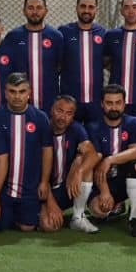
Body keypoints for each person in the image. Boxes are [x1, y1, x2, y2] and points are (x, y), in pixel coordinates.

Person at [0, 72, 53, 234]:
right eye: (12, 91)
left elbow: (47, 151)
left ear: (29, 93)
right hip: (3, 189)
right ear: (5, 93)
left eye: (22, 91)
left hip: (29, 189)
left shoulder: (40, 118)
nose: (17, 96)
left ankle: (31, 211)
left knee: (27, 227)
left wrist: (44, 182)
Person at [81, 82, 136, 236]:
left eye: (118, 103)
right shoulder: (93, 127)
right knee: (100, 211)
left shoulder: (133, 123)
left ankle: (134, 219)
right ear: (102, 104)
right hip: (102, 179)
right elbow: (96, 161)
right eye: (109, 103)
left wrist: (110, 160)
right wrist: (104, 191)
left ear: (124, 104)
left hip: (125, 178)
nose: (114, 107)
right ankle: (116, 204)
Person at [4, 0, 63, 112]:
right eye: (30, 8)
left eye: (39, 8)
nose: (35, 12)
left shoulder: (56, 36)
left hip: (49, 99)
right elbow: (8, 67)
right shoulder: (13, 36)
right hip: (20, 101)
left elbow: (60, 65)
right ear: (24, 11)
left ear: (46, 10)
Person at [47, 95, 98, 232]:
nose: (63, 117)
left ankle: (78, 217)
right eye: (59, 111)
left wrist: (78, 171)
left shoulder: (76, 128)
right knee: (48, 225)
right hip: (44, 190)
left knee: (84, 162)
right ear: (51, 110)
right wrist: (50, 203)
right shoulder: (42, 129)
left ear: (73, 116)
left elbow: (93, 154)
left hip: (67, 187)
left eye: (68, 113)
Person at [57, 0, 107, 123]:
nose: (86, 10)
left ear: (96, 10)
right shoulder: (64, 32)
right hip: (70, 100)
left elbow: (108, 61)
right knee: (71, 134)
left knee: (94, 135)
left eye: (91, 7)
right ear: (76, 8)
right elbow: (57, 63)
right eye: (83, 6)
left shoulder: (103, 33)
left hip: (95, 100)